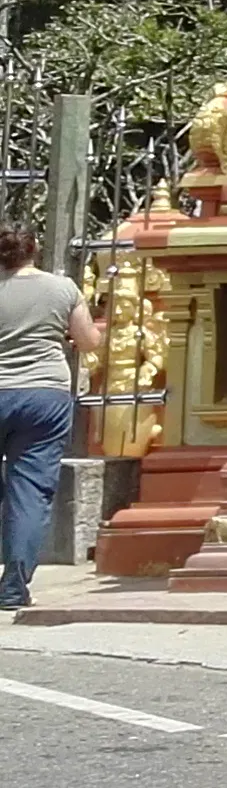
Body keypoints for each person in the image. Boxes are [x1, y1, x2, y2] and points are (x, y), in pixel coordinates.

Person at [0, 226, 103, 611]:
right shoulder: (62, 289)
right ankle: (13, 586)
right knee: (29, 490)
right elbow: (89, 340)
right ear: (34, 251)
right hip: (45, 395)